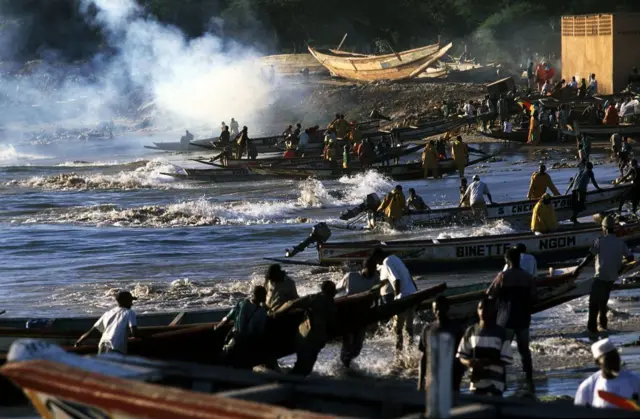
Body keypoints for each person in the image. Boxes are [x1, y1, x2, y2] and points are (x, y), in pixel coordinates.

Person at [488, 248, 537, 392]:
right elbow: (534, 298)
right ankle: (529, 379)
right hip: (523, 319)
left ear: (506, 260)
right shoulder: (528, 277)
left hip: (505, 320)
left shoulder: (503, 276)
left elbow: (490, 293)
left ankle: (501, 381)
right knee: (524, 351)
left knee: (502, 351)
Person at [577, 216, 634, 334]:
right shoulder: (620, 242)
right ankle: (604, 328)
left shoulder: (600, 241)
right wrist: (621, 265)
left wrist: (578, 269)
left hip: (600, 276)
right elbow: (630, 257)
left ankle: (591, 331)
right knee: (603, 304)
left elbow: (589, 257)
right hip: (612, 278)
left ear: (605, 229)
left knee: (593, 305)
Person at [457, 298, 512, 396]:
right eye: (480, 308)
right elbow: (462, 355)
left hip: (496, 384)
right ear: (477, 310)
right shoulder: (471, 331)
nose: (483, 311)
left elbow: (506, 359)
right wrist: (469, 362)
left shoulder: (501, 333)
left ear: (493, 310)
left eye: (486, 309)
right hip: (476, 383)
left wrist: (486, 362)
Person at [283, 281, 338, 376]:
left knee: (304, 365)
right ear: (328, 290)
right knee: (304, 365)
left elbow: (292, 303)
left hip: (310, 338)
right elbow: (292, 303)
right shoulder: (318, 299)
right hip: (309, 338)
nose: (335, 292)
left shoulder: (325, 300)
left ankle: (293, 378)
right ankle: (292, 380)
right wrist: (276, 313)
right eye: (333, 290)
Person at [371, 248, 418, 352]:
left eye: (376, 261)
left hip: (402, 298)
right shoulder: (396, 258)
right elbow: (409, 276)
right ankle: (410, 352)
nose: (377, 263)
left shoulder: (386, 261)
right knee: (409, 329)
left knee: (398, 330)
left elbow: (396, 279)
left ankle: (399, 355)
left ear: (378, 257)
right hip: (412, 295)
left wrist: (396, 299)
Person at [338, 257, 380, 368]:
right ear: (363, 268)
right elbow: (336, 290)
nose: (372, 271)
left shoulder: (375, 278)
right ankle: (344, 366)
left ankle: (346, 363)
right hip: (348, 314)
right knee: (348, 342)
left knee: (357, 347)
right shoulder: (351, 276)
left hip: (363, 315)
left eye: (374, 268)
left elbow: (376, 296)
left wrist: (375, 314)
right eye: (370, 269)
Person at [575, 338, 640, 408]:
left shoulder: (635, 380)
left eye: (616, 357)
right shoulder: (588, 387)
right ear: (597, 362)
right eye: (609, 359)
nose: (614, 361)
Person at [418, 296, 465, 392]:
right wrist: (420, 382)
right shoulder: (427, 329)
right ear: (433, 310)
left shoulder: (456, 329)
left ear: (447, 308)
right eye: (436, 309)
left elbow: (461, 357)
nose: (438, 312)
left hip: (451, 378)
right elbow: (424, 357)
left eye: (441, 308)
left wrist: (458, 381)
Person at [215, 285, 267, 368]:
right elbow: (260, 332)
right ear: (262, 296)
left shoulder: (241, 303)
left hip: (233, 340)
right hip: (247, 345)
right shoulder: (261, 312)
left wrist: (217, 326)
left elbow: (226, 318)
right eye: (265, 295)